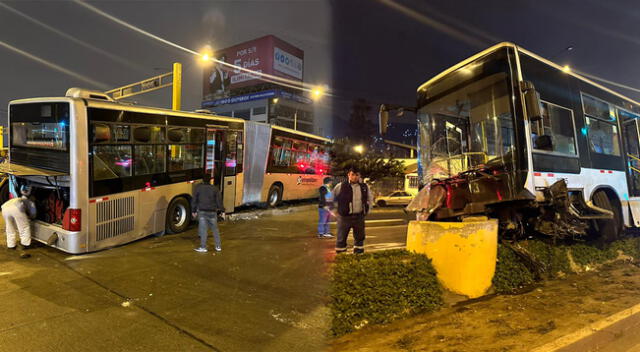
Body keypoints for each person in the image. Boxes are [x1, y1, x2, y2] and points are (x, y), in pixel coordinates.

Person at [332, 169, 373, 254]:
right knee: (341, 238)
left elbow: (370, 199)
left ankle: (358, 256)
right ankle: (341, 257)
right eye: (353, 174)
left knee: (360, 238)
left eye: (357, 175)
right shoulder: (340, 186)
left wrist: (367, 211)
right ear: (348, 175)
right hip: (344, 217)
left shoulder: (364, 187)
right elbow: (331, 199)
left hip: (359, 217)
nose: (355, 177)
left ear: (359, 176)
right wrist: (335, 212)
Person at [191, 174, 224, 253]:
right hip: (212, 212)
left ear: (202, 180)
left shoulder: (198, 188)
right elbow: (219, 201)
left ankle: (203, 247)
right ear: (210, 180)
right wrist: (222, 211)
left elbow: (194, 200)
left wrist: (194, 211)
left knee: (203, 230)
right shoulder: (215, 189)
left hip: (202, 212)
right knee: (215, 229)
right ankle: (218, 246)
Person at [2, 185, 36, 259]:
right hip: (16, 208)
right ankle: (25, 244)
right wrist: (30, 218)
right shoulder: (30, 201)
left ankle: (11, 245)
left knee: (10, 227)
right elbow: (33, 214)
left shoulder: (18, 198)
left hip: (4, 208)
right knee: (24, 227)